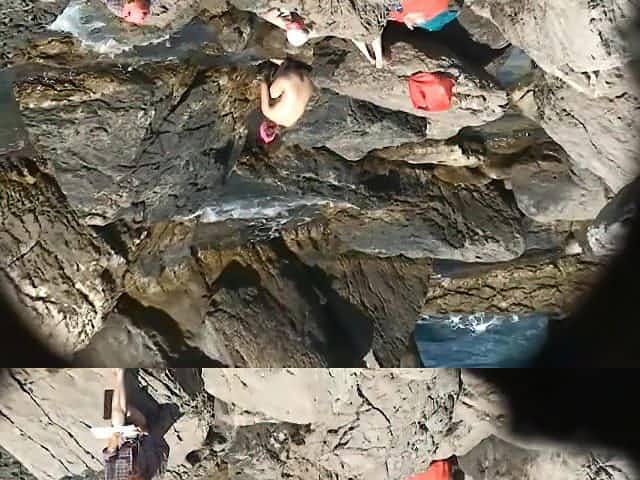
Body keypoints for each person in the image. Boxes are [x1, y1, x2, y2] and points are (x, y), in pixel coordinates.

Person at [258, 5, 387, 68]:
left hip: (340, 20)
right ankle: (375, 58)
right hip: (339, 20)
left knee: (359, 28)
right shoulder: (311, 26)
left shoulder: (308, 26)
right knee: (360, 28)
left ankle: (374, 58)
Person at [103, 369, 169, 480]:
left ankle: (119, 375)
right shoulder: (155, 471)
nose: (132, 474)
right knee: (124, 411)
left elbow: (108, 457)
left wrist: (113, 441)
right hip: (140, 427)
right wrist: (145, 431)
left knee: (118, 418)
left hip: (122, 436)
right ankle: (119, 375)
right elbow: (163, 447)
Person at [258, 59, 314, 142]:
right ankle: (285, 64)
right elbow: (263, 82)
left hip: (308, 80)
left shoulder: (290, 123)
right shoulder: (268, 112)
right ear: (264, 124)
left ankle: (292, 67)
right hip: (291, 77)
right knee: (273, 93)